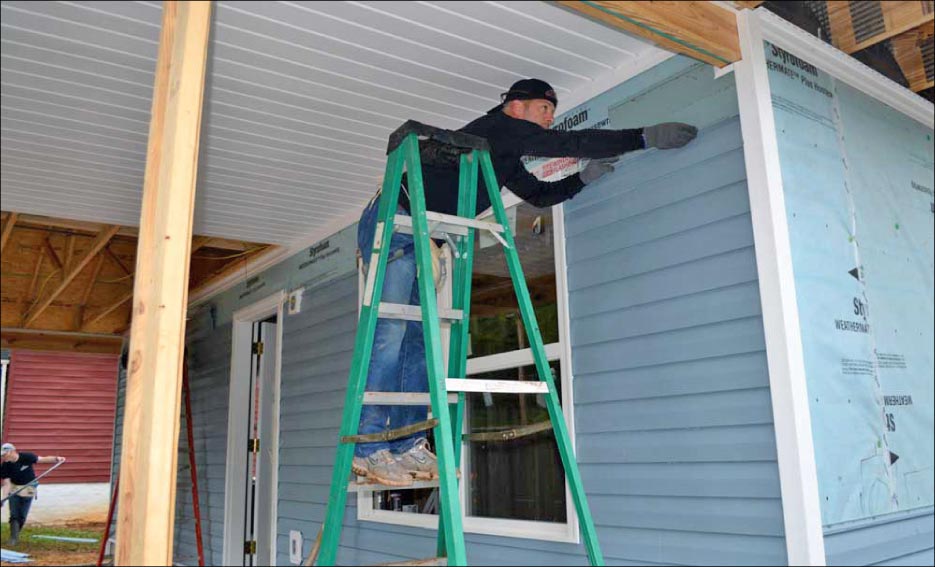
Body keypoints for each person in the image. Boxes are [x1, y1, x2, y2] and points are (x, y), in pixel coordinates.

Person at [352, 78, 697, 486]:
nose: (550, 118)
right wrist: (644, 137)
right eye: (543, 109)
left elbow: (537, 194)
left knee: (420, 338)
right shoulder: (496, 129)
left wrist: (583, 180)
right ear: (515, 107)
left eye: (552, 111)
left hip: (424, 235)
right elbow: (575, 142)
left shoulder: (502, 153)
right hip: (394, 219)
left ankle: (406, 444)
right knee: (392, 332)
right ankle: (369, 447)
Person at [1, 443, 66, 545]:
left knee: (22, 516)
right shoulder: (5, 465)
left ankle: (16, 533)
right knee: (14, 514)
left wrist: (57, 459)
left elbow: (42, 459)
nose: (3, 457)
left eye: (4, 454)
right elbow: (7, 483)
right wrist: (3, 499)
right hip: (14, 489)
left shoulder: (27, 457)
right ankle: (13, 538)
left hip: (29, 488)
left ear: (11, 452)